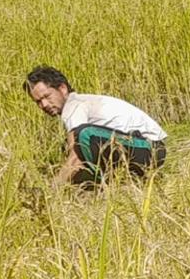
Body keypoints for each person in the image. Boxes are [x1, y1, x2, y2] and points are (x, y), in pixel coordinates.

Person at [23, 65, 168, 188]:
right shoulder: (81, 103)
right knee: (69, 144)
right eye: (38, 102)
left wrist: (52, 188)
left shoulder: (74, 106)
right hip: (146, 149)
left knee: (83, 135)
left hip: (149, 148)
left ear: (62, 89)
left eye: (47, 97)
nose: (44, 105)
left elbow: (76, 157)